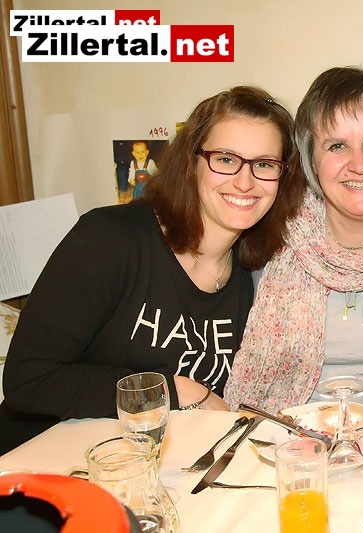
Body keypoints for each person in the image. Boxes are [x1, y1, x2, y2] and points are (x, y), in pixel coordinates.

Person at [1, 86, 305, 453]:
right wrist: (173, 390)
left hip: (161, 465)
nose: (245, 181)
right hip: (42, 459)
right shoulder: (110, 238)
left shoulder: (254, 274)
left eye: (265, 164)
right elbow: (28, 378)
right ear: (191, 163)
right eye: (225, 159)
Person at [224, 64, 363, 417]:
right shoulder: (266, 233)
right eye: (337, 146)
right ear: (311, 159)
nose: (359, 164)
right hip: (274, 435)